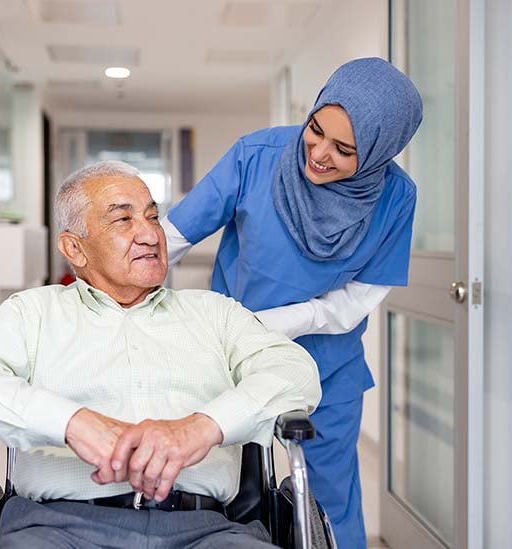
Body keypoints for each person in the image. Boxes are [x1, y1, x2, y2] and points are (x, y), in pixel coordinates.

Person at [0, 160, 321, 548]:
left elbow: (295, 372)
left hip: (205, 530)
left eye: (152, 217)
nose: (149, 234)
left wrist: (202, 427)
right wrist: (72, 423)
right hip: (53, 529)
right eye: (123, 220)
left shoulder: (215, 313)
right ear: (74, 248)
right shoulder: (33, 313)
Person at [162, 57, 422, 548]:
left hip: (327, 366)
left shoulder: (395, 198)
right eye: (316, 129)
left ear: (378, 153)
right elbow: (172, 237)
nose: (319, 153)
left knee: (327, 505)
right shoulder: (256, 156)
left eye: (344, 149)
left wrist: (268, 323)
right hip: (229, 359)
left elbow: (353, 303)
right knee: (217, 490)